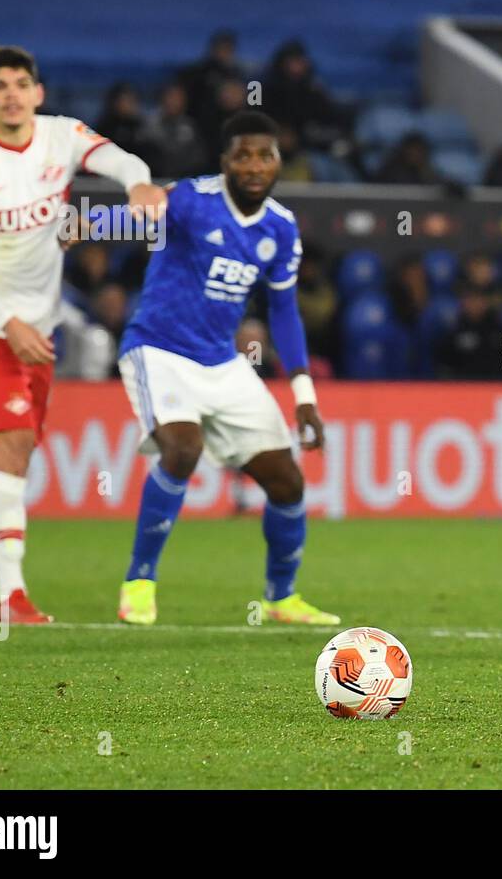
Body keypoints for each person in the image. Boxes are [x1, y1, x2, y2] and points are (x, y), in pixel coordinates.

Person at [0, 45, 163, 624]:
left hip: (41, 326)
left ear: (38, 92)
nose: (11, 95)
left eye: (21, 84)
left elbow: (116, 157)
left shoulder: (59, 135)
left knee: (4, 456)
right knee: (14, 450)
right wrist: (10, 322)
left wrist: (140, 184)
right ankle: (11, 595)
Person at [115, 110, 337, 627]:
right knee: (182, 447)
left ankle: (281, 599)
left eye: (266, 155)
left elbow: (283, 311)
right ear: (225, 161)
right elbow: (135, 215)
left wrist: (304, 395)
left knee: (287, 482)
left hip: (221, 361)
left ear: (280, 161)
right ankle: (139, 582)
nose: (255, 166)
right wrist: (83, 225)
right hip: (159, 349)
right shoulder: (192, 199)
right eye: (243, 155)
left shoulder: (280, 228)